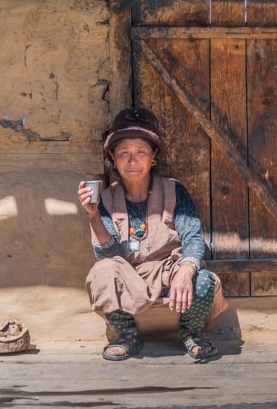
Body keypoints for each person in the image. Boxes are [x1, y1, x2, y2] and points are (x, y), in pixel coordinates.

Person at [76, 107, 223, 362]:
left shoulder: (174, 191)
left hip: (169, 270)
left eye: (140, 152)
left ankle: (191, 332)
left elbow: (193, 238)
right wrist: (92, 215)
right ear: (113, 156)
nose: (132, 161)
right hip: (129, 273)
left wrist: (185, 271)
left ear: (153, 155)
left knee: (203, 281)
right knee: (101, 273)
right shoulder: (105, 199)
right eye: (124, 153)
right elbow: (108, 256)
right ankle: (126, 334)